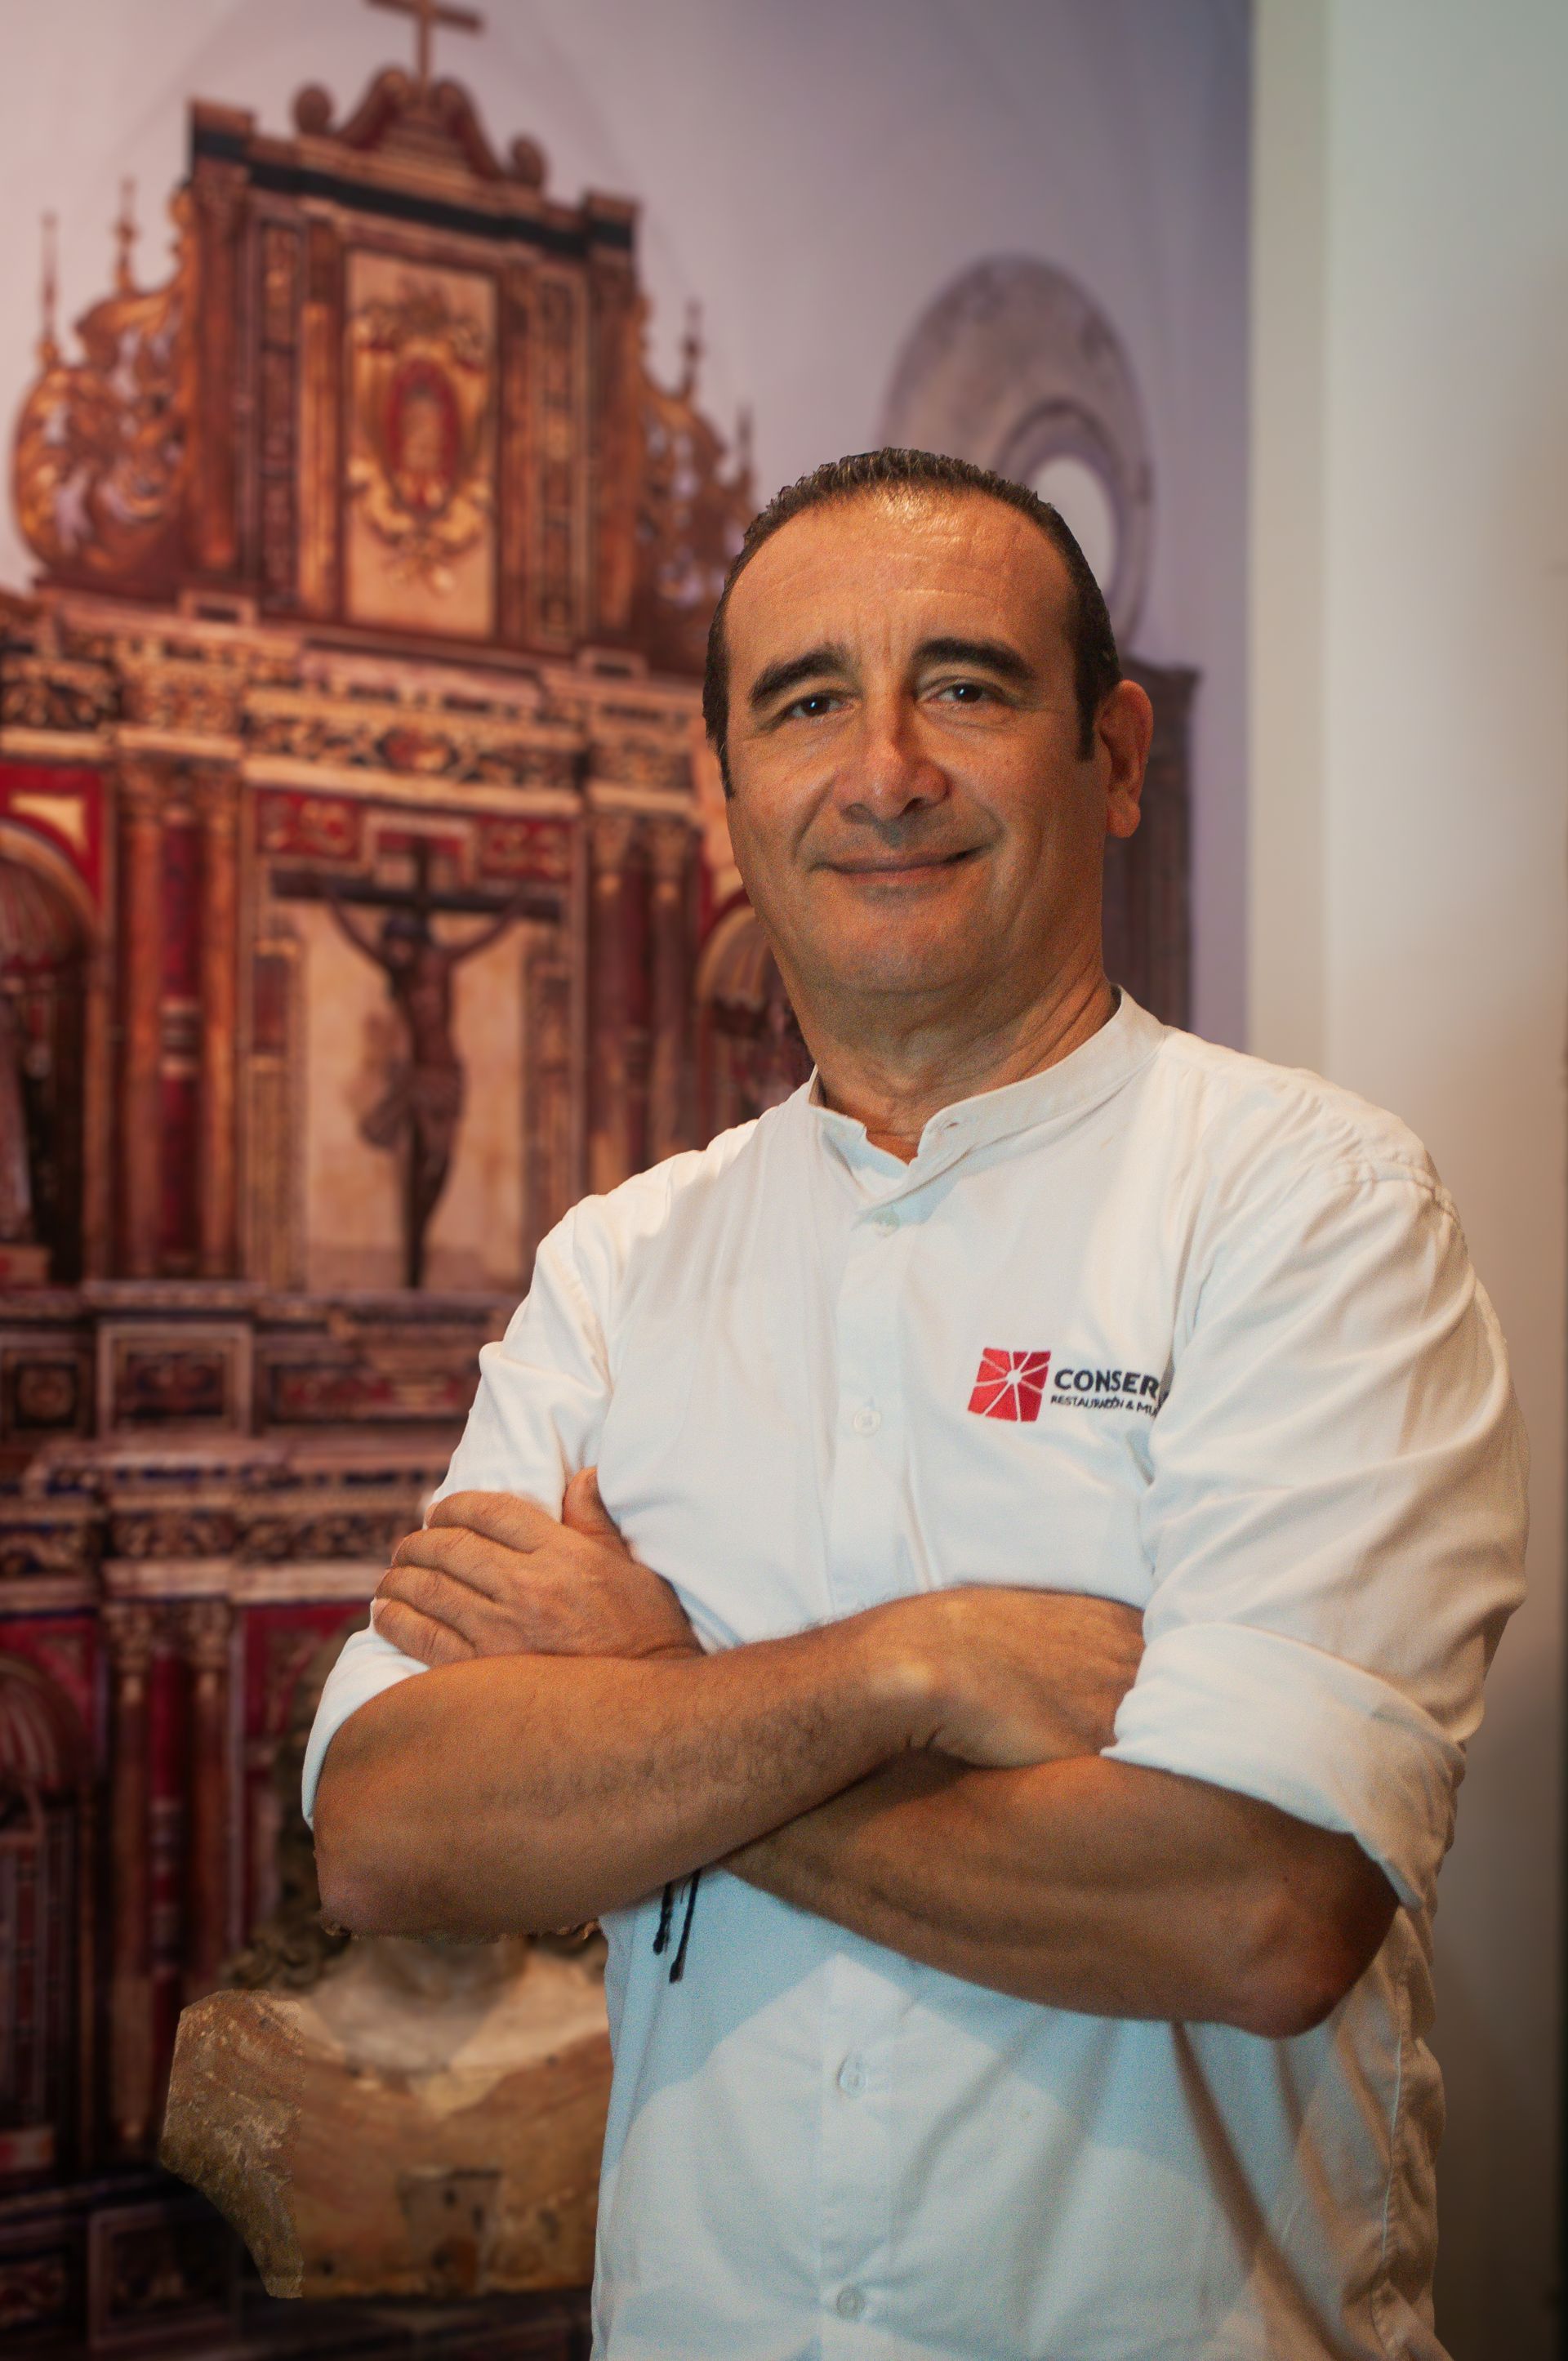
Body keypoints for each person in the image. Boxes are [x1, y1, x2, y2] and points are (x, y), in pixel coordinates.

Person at [306, 448, 1527, 2361]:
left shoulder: (1309, 1207)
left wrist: (653, 1707)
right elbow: (392, 1827)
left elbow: (1254, 1910)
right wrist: (910, 1667)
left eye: (964, 685)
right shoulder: (621, 1269)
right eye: (807, 703)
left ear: (1113, 756)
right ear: (722, 795)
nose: (884, 770)